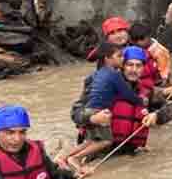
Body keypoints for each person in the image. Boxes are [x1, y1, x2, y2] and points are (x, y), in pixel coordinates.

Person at [62, 43, 146, 171]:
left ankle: (65, 157)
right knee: (105, 140)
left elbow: (167, 109)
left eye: (138, 65)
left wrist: (157, 115)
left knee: (91, 141)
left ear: (144, 68)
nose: (133, 69)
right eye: (129, 64)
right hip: (98, 138)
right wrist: (92, 118)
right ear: (122, 66)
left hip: (125, 152)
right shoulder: (109, 77)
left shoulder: (147, 90)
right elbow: (76, 113)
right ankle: (75, 158)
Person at [130, 21, 172, 85]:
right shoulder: (136, 47)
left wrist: (163, 82)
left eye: (141, 39)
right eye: (135, 40)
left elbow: (164, 71)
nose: (138, 42)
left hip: (157, 81)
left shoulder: (159, 51)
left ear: (149, 35)